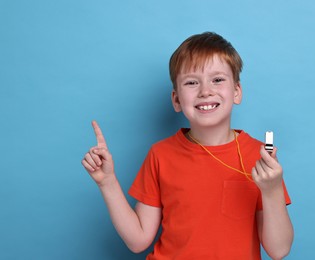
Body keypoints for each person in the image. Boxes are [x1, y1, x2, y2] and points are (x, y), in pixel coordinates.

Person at [82, 32, 293, 260]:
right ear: (176, 100)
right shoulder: (160, 155)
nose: (205, 91)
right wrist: (108, 183)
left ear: (237, 92)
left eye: (218, 80)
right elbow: (138, 240)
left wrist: (271, 191)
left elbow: (279, 250)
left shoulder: (260, 158)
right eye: (192, 82)